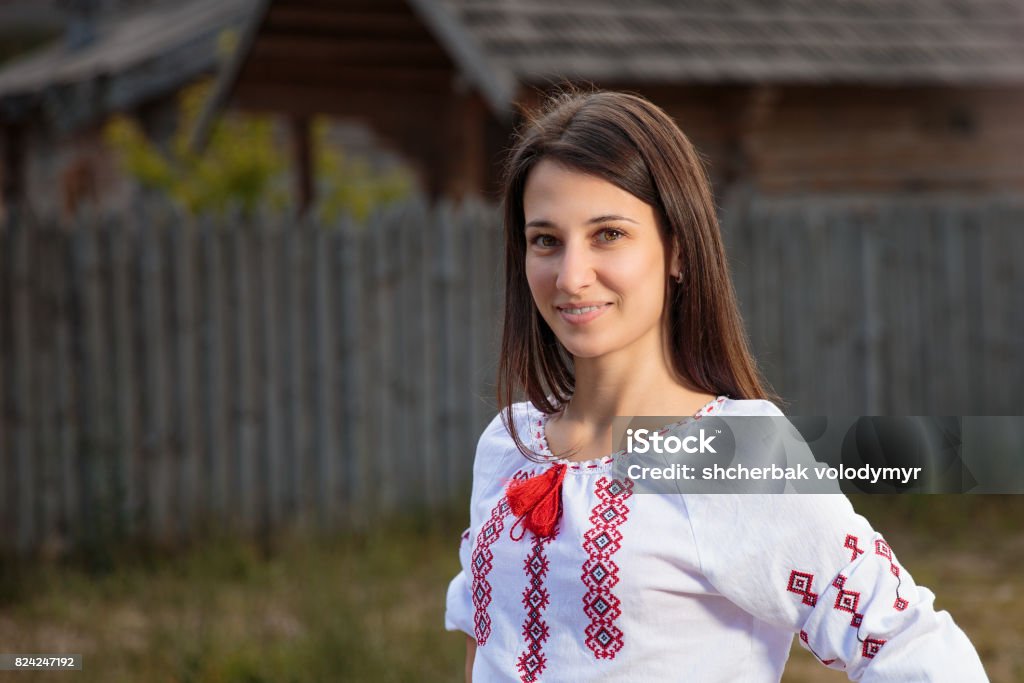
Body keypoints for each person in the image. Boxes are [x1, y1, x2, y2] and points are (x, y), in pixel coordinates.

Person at [444, 89, 987, 682]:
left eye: (608, 234)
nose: (571, 276)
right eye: (546, 239)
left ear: (676, 249)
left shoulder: (733, 450)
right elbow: (484, 645)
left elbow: (911, 644)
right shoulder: (507, 444)